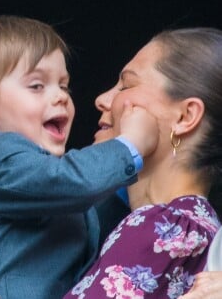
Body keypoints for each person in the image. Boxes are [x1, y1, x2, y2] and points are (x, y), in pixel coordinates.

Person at [0, 15, 158, 299]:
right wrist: (130, 145)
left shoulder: (40, 174)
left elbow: (86, 209)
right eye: (37, 86)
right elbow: (74, 183)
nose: (60, 97)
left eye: (64, 85)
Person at [64, 27, 222, 299]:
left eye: (126, 85)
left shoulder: (160, 226)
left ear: (185, 116)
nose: (101, 100)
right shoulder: (203, 231)